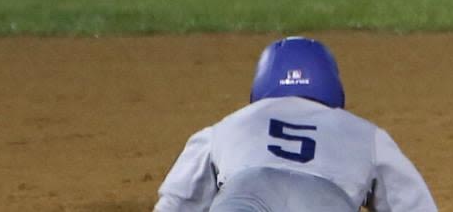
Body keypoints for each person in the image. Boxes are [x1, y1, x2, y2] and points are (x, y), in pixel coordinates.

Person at [154, 36, 438, 212]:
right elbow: (414, 206)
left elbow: (177, 202)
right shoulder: (366, 134)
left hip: (245, 197)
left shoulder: (226, 128)